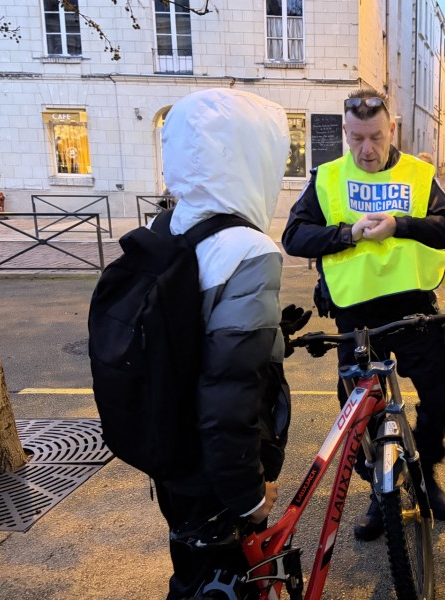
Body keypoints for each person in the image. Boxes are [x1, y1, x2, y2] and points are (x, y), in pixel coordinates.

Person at [282, 88, 445, 540]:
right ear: (345, 131)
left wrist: (400, 225)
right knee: (357, 413)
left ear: (392, 130)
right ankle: (378, 491)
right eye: (357, 138)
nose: (367, 149)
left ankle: (423, 470)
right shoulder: (326, 177)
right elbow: (295, 237)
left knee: (439, 400)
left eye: (376, 137)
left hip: (414, 312)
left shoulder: (419, 175)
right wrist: (348, 234)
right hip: (355, 318)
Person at [154, 88, 293, 599]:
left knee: (192, 576)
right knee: (231, 581)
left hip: (172, 452)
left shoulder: (168, 227)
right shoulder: (248, 249)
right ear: (251, 155)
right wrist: (249, 494)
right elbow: (230, 392)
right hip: (221, 471)